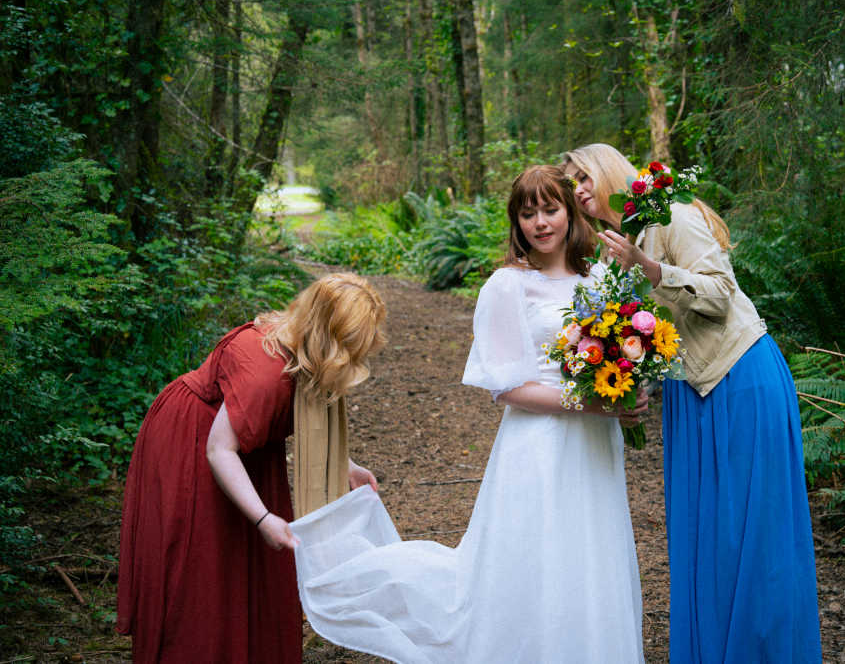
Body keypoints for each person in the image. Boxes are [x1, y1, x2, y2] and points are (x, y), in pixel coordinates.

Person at [288, 165, 646, 663]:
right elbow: (507, 388)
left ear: (570, 212)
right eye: (528, 214)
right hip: (538, 445)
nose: (540, 223)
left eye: (550, 209)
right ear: (516, 222)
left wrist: (627, 399)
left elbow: (622, 354)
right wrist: (587, 402)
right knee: (535, 559)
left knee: (590, 556)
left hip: (594, 445)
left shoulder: (602, 278)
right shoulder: (508, 286)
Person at [563, 143, 823, 663]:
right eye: (570, 183)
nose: (579, 189)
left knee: (754, 535)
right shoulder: (618, 245)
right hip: (689, 393)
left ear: (612, 172)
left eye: (584, 176)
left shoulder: (672, 216)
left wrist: (651, 268)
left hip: (740, 379)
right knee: (707, 537)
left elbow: (721, 292)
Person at [116, 273, 387, 664]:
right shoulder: (266, 377)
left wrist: (346, 465)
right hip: (194, 445)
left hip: (248, 450)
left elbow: (301, 407)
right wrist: (261, 517)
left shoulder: (298, 344)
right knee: (202, 574)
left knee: (253, 572)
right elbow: (219, 449)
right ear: (328, 336)